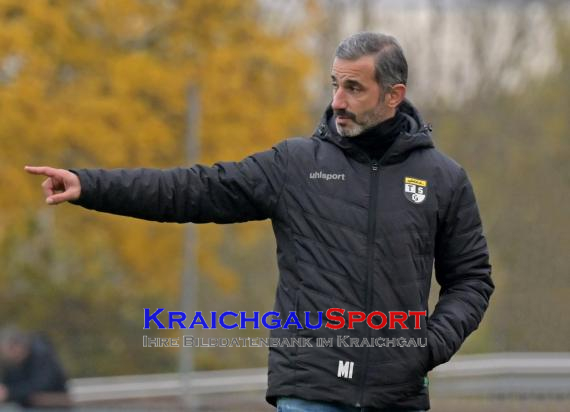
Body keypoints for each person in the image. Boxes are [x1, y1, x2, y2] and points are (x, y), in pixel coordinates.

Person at [25, 32, 494, 411]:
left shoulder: (443, 179)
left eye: (353, 88)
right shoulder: (294, 164)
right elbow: (193, 190)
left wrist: (428, 347)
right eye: (334, 84)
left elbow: (471, 280)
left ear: (394, 95)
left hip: (398, 396)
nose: (337, 102)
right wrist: (90, 185)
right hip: (310, 392)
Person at [0, 328, 69, 409]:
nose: (6, 356)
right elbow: (8, 384)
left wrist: (10, 392)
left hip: (54, 405)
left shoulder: (42, 355)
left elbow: (42, 385)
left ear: (16, 347)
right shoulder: (13, 363)